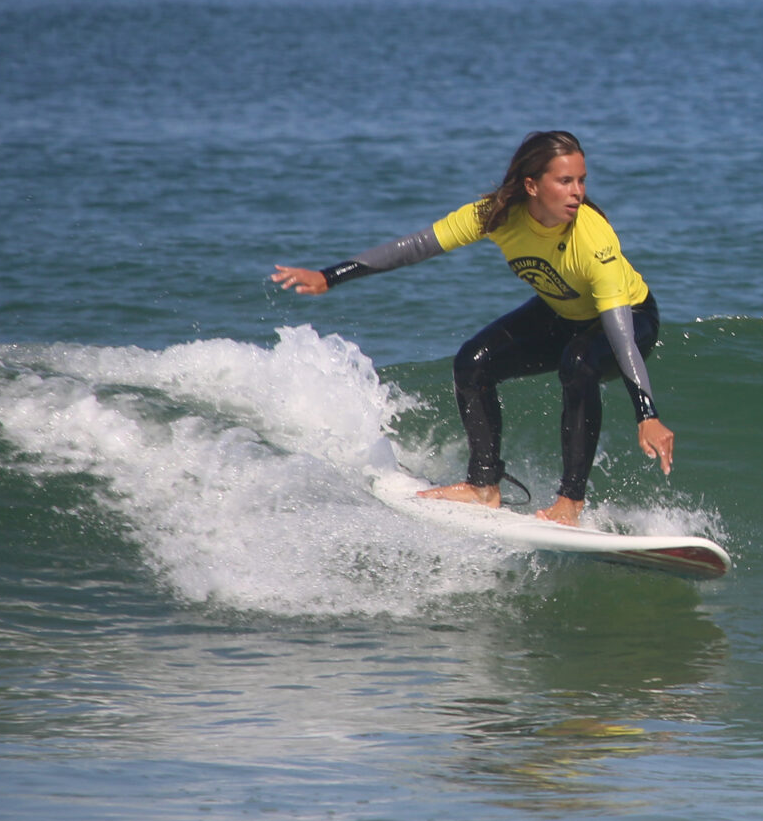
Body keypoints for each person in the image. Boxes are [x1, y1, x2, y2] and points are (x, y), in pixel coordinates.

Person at [271, 130, 674, 526]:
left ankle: (570, 501)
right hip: (561, 309)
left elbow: (619, 333)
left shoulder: (592, 237)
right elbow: (416, 246)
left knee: (580, 361)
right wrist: (331, 275)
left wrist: (647, 412)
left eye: (581, 180)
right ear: (532, 185)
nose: (577, 192)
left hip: (630, 317)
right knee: (472, 363)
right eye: (565, 181)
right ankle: (483, 485)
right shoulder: (498, 215)